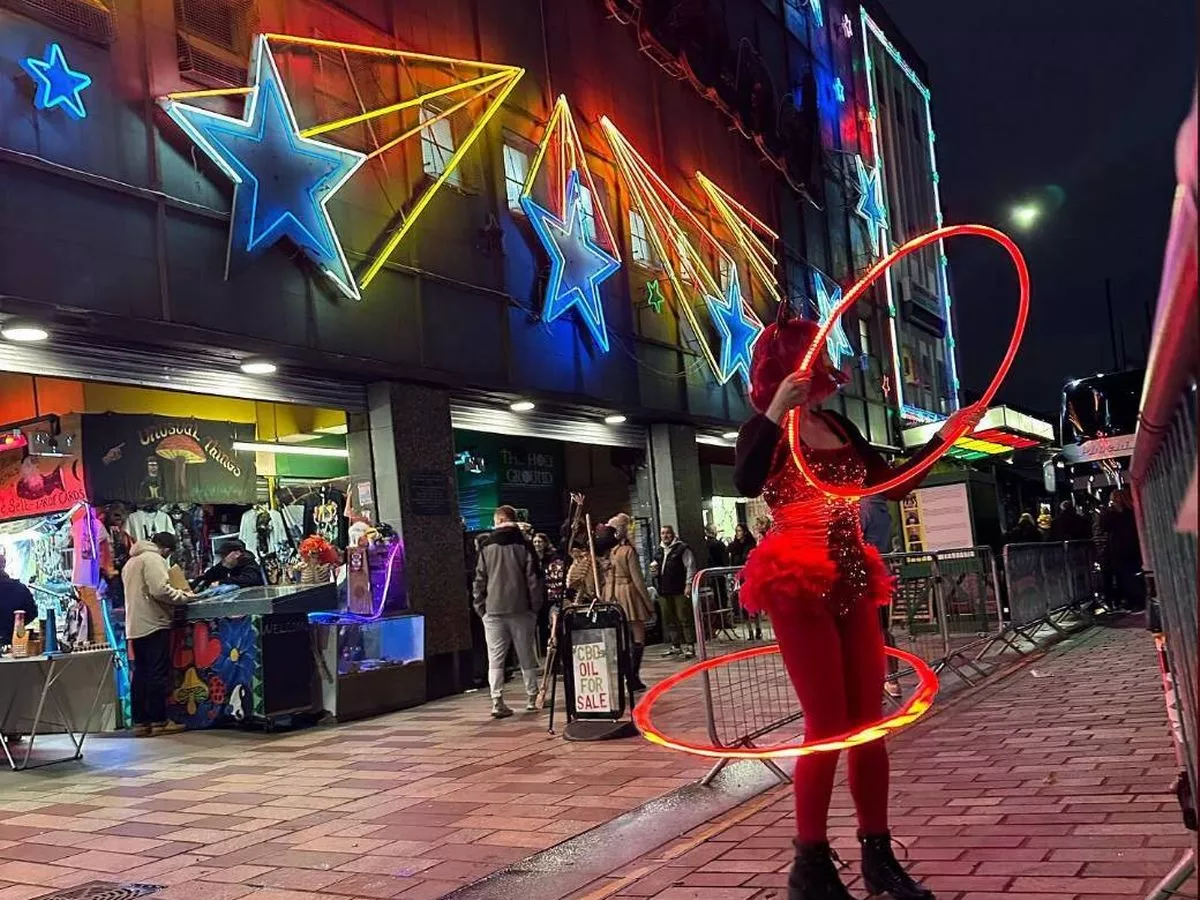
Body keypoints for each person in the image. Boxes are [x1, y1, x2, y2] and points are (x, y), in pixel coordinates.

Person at [733, 315, 984, 900]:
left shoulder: (837, 423)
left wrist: (945, 438)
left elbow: (892, 486)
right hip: (797, 581)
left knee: (869, 724)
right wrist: (775, 411)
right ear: (787, 363)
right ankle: (811, 867)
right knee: (826, 726)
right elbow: (746, 482)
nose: (823, 364)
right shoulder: (762, 431)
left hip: (851, 574)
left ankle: (878, 857)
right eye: (813, 353)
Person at [472, 505, 545, 719]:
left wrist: (481, 608)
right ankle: (532, 698)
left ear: (500, 520)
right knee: (526, 655)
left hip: (493, 610)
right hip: (521, 609)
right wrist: (534, 607)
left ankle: (497, 701)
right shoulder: (524, 545)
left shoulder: (486, 546)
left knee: (495, 658)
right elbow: (534, 579)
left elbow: (479, 580)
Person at [123, 532, 194, 737]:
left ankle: (141, 722)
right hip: (153, 622)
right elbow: (160, 590)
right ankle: (159, 721)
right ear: (166, 549)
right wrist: (184, 597)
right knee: (157, 673)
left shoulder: (131, 562)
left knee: (141, 674)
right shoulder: (153, 559)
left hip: (135, 625)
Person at [602, 514, 655, 690]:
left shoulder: (608, 552)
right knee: (638, 636)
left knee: (621, 638)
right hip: (629, 594)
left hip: (612, 594)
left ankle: (628, 675)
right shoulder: (628, 551)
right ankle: (633, 677)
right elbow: (638, 580)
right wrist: (648, 604)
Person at [860, 494, 902, 700]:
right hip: (879, 573)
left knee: (871, 631)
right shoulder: (882, 507)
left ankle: (882, 680)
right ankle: (891, 678)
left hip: (865, 574)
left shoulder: (863, 507)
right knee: (881, 628)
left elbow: (851, 539)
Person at [651, 525, 697, 658]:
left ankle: (690, 645)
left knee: (684, 617)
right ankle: (675, 645)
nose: (665, 536)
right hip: (663, 590)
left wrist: (688, 584)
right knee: (668, 618)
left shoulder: (682, 548)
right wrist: (654, 572)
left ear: (673, 534)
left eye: (667, 533)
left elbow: (690, 566)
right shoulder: (658, 551)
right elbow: (656, 570)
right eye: (662, 533)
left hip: (679, 589)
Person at [1098, 488, 1144, 612]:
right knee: (1126, 576)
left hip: (1123, 549)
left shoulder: (1123, 514)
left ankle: (1135, 601)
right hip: (1125, 548)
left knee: (1127, 576)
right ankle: (1131, 601)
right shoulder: (1124, 514)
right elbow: (1104, 526)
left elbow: (1104, 527)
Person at [0, 548, 37, 650]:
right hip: (14, 641)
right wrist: (18, 627)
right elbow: (33, 613)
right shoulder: (20, 588)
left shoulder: (20, 588)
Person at [195, 540, 265, 590]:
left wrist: (221, 582)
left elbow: (249, 580)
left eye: (224, 555)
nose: (222, 558)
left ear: (236, 554)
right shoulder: (227, 564)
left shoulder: (249, 565)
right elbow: (208, 576)